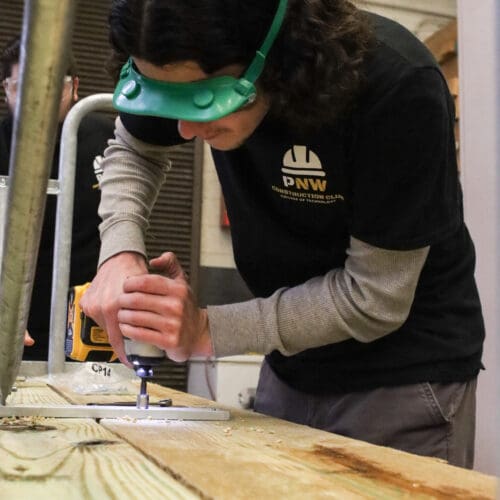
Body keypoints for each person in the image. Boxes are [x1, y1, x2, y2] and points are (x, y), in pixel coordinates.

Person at [80, 0, 485, 468]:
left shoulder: (394, 85)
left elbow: (375, 298)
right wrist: (120, 251)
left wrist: (207, 330)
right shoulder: (177, 51)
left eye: (204, 101)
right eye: (170, 105)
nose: (185, 130)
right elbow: (135, 147)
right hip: (291, 365)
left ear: (274, 58)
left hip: (404, 375)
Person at [0, 36, 115, 360]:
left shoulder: (106, 139)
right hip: (13, 321)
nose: (39, 98)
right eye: (23, 86)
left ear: (75, 86)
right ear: (5, 90)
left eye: (52, 85)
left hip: (88, 323)